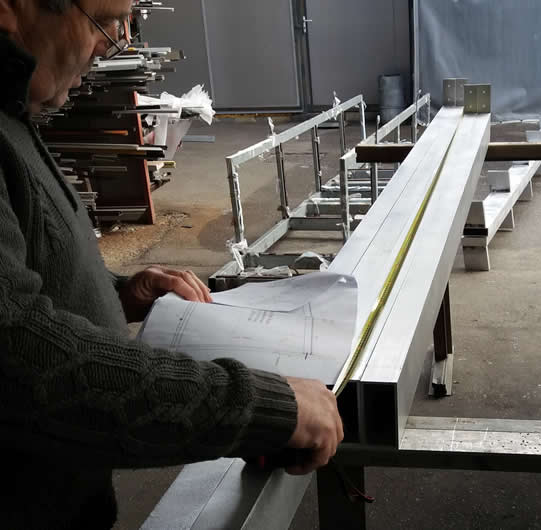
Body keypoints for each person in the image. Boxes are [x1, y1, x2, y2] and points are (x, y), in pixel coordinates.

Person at [0, 0, 344, 527]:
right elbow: (23, 361)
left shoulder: (14, 114)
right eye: (103, 23)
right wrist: (264, 407)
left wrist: (117, 292)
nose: (111, 46)